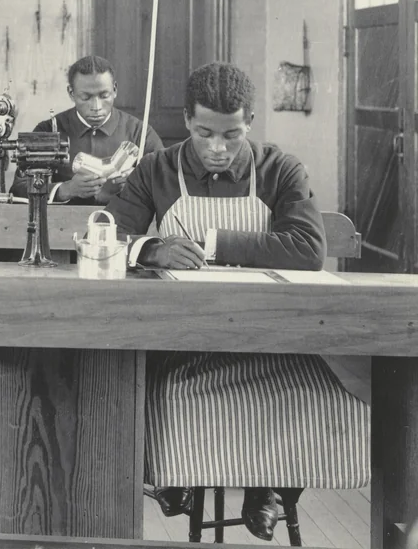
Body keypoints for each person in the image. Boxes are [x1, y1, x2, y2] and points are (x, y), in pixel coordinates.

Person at [107, 62, 368, 540]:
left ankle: (268, 484)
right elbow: (103, 236)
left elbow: (308, 250)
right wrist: (149, 247)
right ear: (186, 120)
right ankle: (179, 471)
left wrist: (211, 244)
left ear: (250, 123)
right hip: (181, 338)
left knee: (328, 396)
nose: (218, 149)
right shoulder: (156, 169)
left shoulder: (279, 169)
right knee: (151, 386)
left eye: (233, 134)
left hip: (269, 337)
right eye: (205, 133)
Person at [12, 55, 163, 204]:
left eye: (104, 96)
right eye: (86, 97)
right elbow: (19, 188)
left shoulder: (140, 132)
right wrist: (65, 190)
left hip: (123, 225)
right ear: (71, 93)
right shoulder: (48, 130)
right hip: (61, 225)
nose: (96, 107)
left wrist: (139, 184)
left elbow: (166, 181)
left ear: (115, 89)